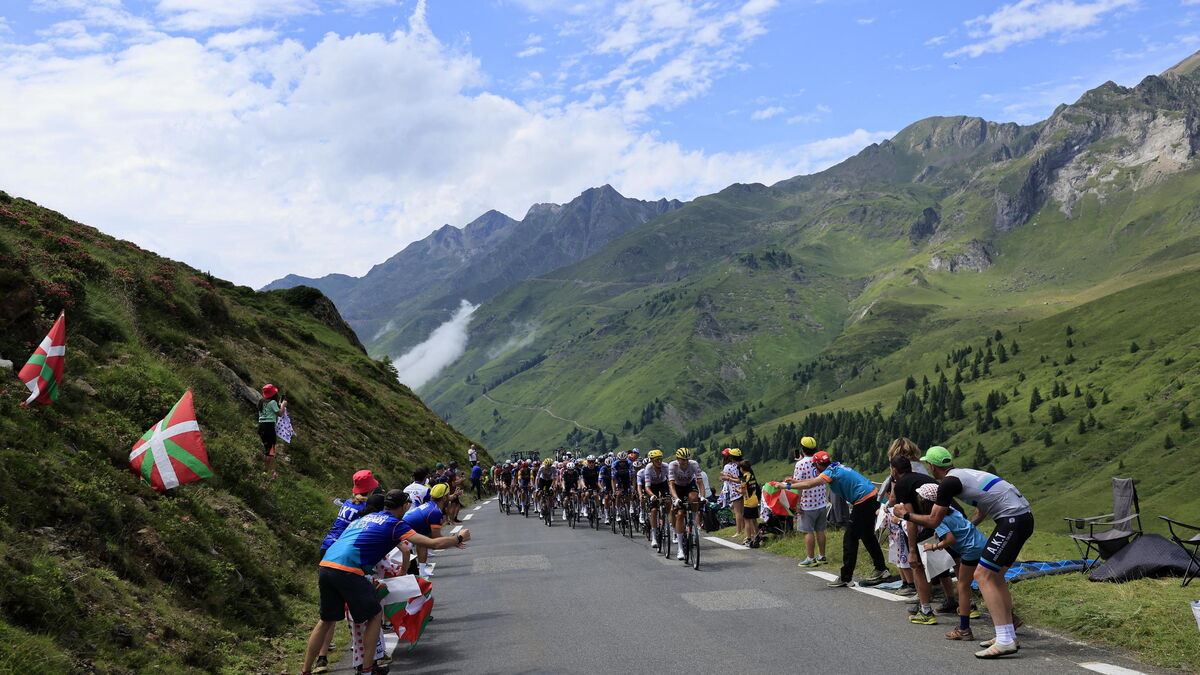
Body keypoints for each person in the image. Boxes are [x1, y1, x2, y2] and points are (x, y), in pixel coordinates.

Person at [299, 490, 470, 675]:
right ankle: (367, 670)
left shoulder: (366, 518)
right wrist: (458, 538)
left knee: (326, 620)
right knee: (374, 615)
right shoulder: (394, 524)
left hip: (326, 565)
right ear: (404, 506)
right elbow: (433, 543)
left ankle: (305, 671)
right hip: (349, 570)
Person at [895, 446, 1033, 659]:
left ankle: (1005, 640)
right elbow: (982, 509)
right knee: (995, 576)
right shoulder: (964, 474)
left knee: (983, 575)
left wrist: (906, 515)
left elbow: (933, 520)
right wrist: (967, 527)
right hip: (1021, 517)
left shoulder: (947, 483)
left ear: (932, 466)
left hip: (1012, 519)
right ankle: (1008, 634)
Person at [789, 451, 889, 587]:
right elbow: (811, 482)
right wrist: (796, 482)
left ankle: (846, 577)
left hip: (863, 501)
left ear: (818, 465)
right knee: (867, 535)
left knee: (850, 538)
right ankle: (881, 569)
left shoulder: (830, 473)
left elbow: (810, 484)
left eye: (814, 466)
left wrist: (785, 486)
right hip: (873, 496)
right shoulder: (835, 467)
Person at [914, 482, 988, 642]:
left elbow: (950, 539)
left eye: (919, 498)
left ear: (925, 502)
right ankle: (1011, 618)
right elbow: (957, 526)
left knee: (963, 586)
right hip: (982, 543)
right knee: (988, 583)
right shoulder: (951, 510)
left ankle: (964, 629)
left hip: (970, 550)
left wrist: (933, 546)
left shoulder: (938, 519)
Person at [784, 436, 827, 567]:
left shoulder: (800, 464)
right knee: (820, 530)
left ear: (802, 449)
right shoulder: (818, 460)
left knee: (808, 532)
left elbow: (797, 485)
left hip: (807, 503)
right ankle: (822, 556)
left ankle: (810, 558)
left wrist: (796, 504)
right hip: (821, 501)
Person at [403, 482, 453, 577]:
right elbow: (436, 539)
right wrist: (454, 541)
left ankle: (422, 570)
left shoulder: (430, 505)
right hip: (402, 535)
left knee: (423, 541)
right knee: (409, 573)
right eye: (448, 495)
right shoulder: (435, 512)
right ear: (444, 498)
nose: (449, 497)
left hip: (404, 530)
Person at [668, 448, 704, 561]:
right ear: (678, 459)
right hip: (677, 487)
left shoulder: (694, 464)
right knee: (680, 514)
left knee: (694, 498)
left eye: (687, 459)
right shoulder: (672, 465)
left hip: (689, 485)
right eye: (683, 460)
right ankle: (680, 549)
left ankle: (693, 522)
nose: (685, 462)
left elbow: (700, 482)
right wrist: (676, 498)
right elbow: (671, 485)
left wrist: (703, 496)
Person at [257, 383, 287, 477]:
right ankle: (268, 472)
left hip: (261, 426)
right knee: (271, 451)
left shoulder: (261, 401)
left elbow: (271, 410)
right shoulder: (273, 402)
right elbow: (280, 413)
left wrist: (279, 405)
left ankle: (266, 471)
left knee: (267, 449)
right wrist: (283, 405)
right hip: (269, 427)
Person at [720, 448, 744, 541]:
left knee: (737, 512)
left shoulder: (727, 466)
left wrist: (725, 477)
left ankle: (738, 531)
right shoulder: (741, 464)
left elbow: (726, 476)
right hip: (743, 488)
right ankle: (744, 529)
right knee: (743, 511)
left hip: (734, 490)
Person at [737, 458, 761, 548]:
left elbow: (743, 491)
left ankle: (749, 538)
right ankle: (758, 536)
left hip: (748, 502)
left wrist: (737, 490)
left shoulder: (744, 478)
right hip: (755, 500)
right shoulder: (752, 476)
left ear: (742, 469)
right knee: (754, 520)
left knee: (747, 521)